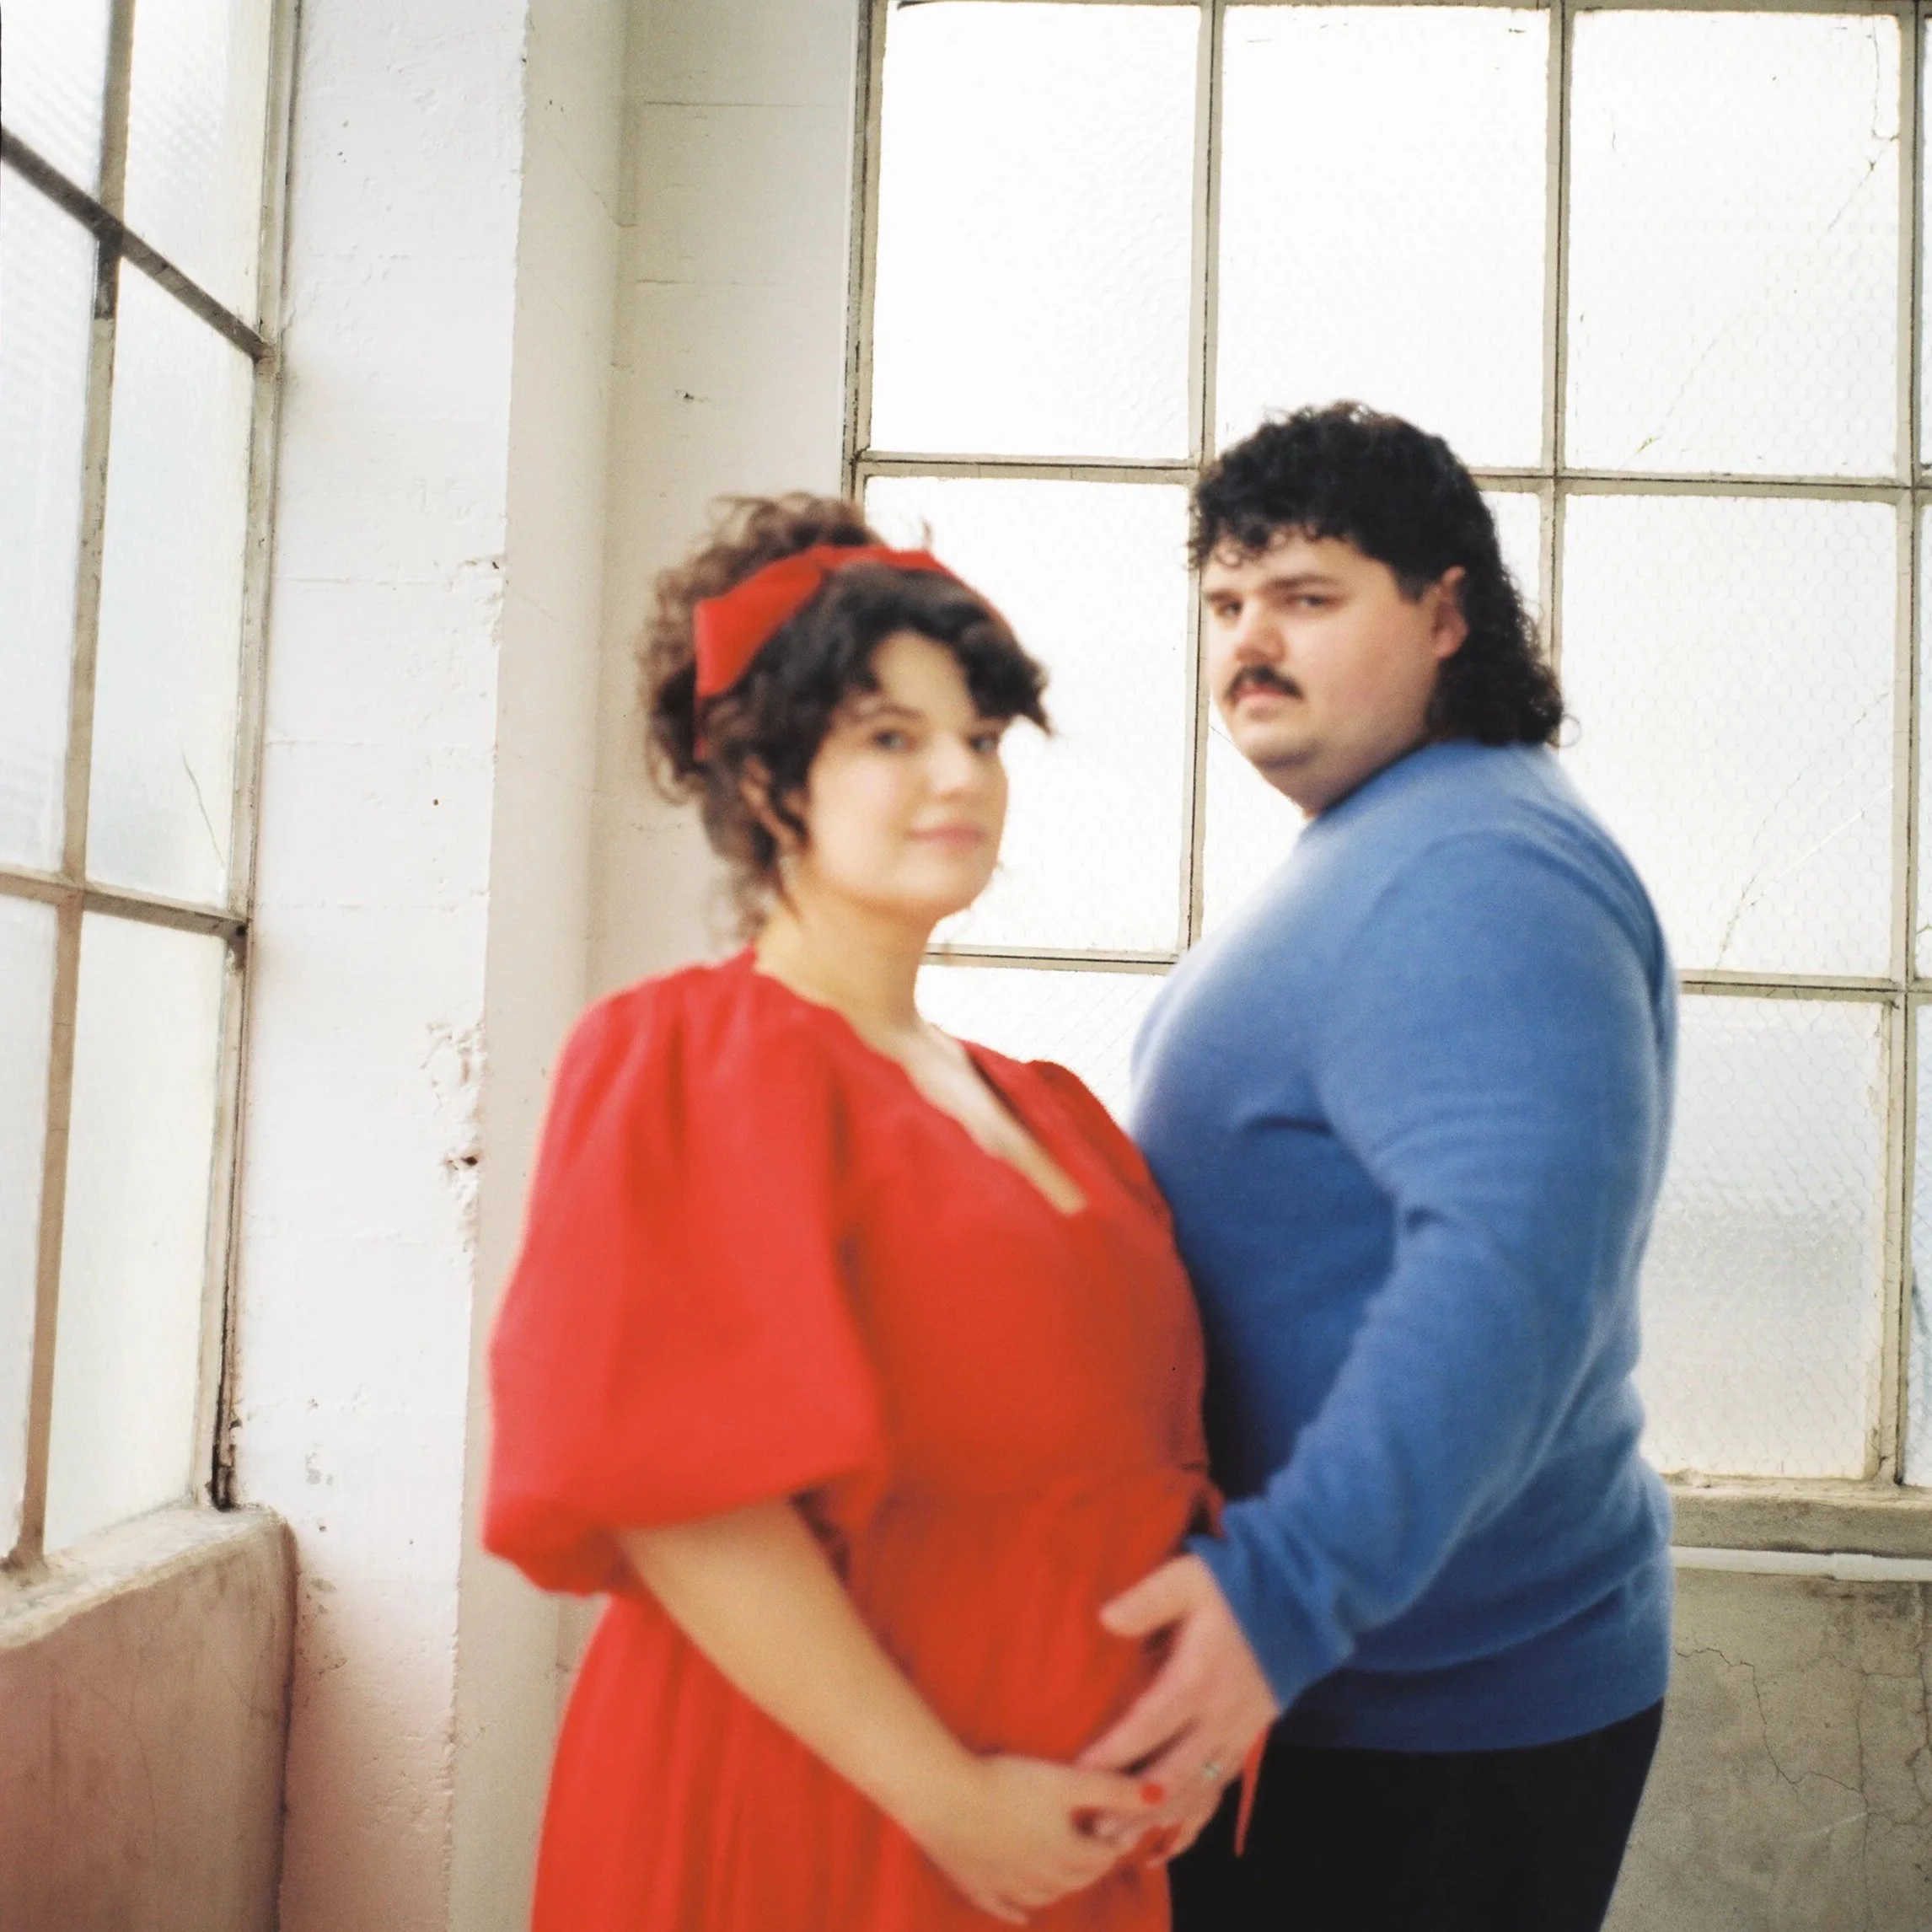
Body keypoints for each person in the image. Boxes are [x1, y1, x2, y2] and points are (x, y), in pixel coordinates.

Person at [483, 494, 1220, 1931]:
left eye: (983, 737)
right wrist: (952, 1802)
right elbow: (680, 1500)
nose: (960, 775)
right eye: (893, 737)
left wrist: (1189, 1721)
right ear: (763, 782)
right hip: (819, 1819)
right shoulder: (692, 1060)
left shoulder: (1052, 1109)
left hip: (1056, 1843)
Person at [1080, 405, 1677, 1932]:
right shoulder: (1408, 834)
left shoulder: (1480, 871)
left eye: (1308, 597)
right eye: (1225, 604)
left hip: (1430, 1738)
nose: (1248, 643)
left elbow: (1513, 1278)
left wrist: (1275, 1599)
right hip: (1373, 1710)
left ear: (1448, 612)